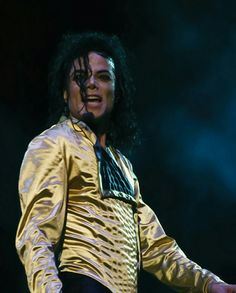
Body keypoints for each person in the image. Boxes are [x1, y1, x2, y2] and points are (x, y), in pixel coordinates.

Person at [15, 32, 236, 293]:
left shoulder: (123, 167)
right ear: (65, 93)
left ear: (116, 92)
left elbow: (157, 248)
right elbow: (36, 232)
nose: (91, 84)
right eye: (80, 77)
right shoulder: (53, 143)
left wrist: (209, 284)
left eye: (103, 76)